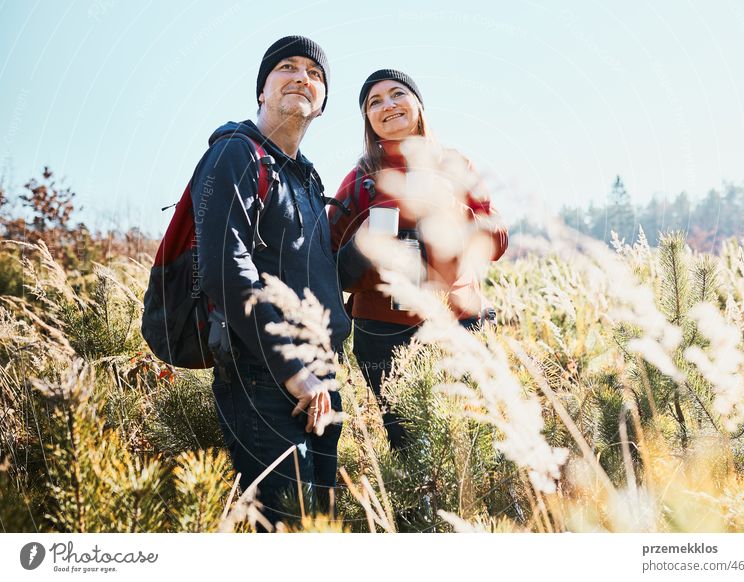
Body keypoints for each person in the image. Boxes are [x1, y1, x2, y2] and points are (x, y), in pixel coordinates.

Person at [193, 36, 362, 528]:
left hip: (323, 377)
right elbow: (226, 266)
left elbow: (321, 275)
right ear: (262, 90)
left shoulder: (307, 180)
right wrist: (293, 371)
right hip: (263, 377)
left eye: (314, 73)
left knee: (317, 523)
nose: (301, 77)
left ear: (323, 101)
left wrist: (371, 245)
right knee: (287, 525)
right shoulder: (235, 154)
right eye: (286, 67)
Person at [328, 69, 509, 451]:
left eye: (397, 94)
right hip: (382, 335)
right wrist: (368, 243)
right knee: (408, 446)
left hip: (460, 325)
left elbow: (497, 243)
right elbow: (331, 266)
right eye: (374, 103)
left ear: (418, 105)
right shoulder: (360, 179)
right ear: (368, 122)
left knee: (470, 444)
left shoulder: (454, 166)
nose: (387, 105)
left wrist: (456, 210)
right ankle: (414, 513)